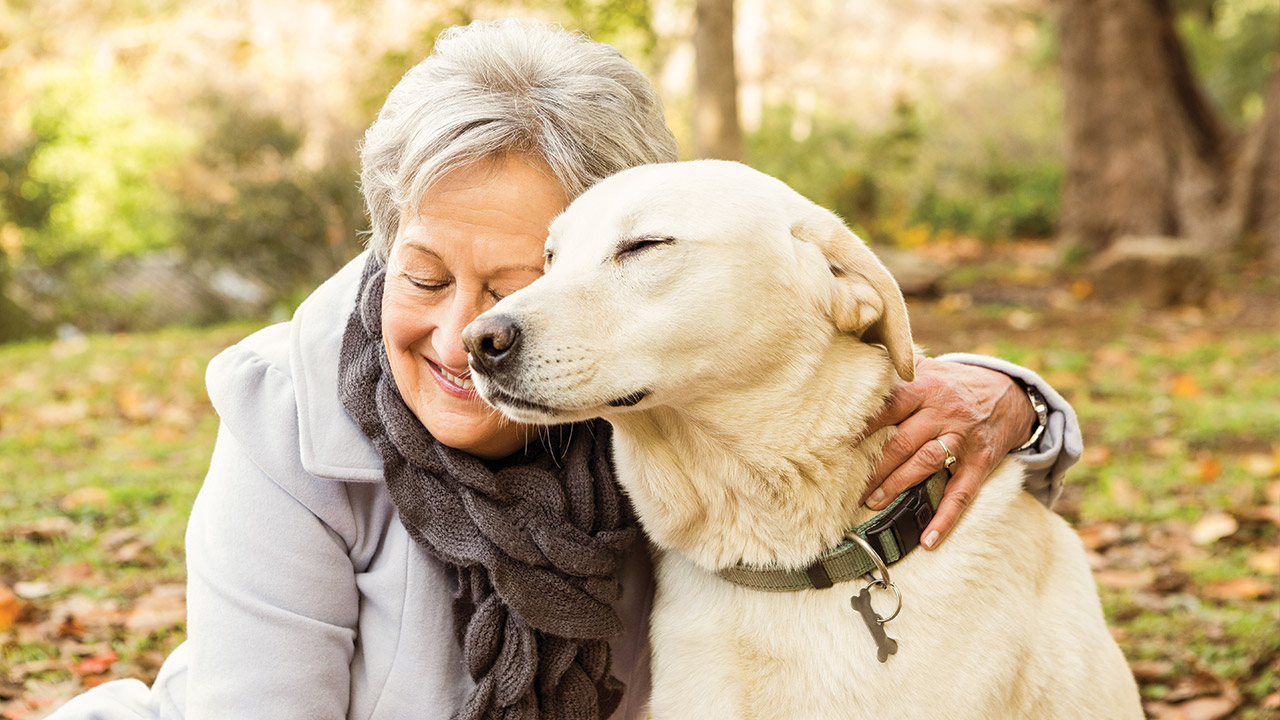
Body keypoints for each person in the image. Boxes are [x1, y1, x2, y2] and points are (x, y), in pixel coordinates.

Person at [49, 18, 1080, 720]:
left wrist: (1013, 398)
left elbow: (793, 356)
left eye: (522, 280)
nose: (470, 333)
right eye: (422, 275)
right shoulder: (289, 411)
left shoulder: (644, 401)